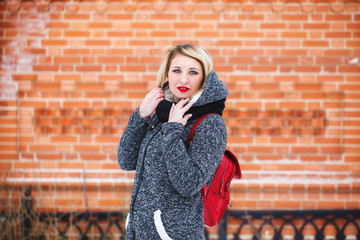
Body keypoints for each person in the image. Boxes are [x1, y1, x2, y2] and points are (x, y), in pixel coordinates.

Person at [117, 43, 229, 240]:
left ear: (204, 78)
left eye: (193, 72)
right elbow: (126, 161)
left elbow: (188, 183)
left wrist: (174, 129)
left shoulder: (210, 123)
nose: (183, 79)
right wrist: (141, 116)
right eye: (177, 70)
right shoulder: (162, 113)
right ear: (167, 74)